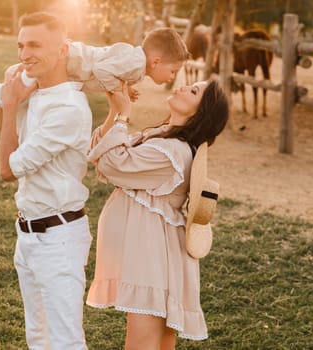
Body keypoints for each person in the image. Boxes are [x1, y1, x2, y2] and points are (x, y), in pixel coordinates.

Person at [86, 79, 229, 349]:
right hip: (148, 250)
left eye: (194, 91)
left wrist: (124, 115)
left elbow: (113, 164)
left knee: (142, 343)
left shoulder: (173, 152)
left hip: (152, 255)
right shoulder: (163, 136)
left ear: (200, 112)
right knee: (157, 343)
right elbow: (100, 152)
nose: (184, 87)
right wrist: (115, 111)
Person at [0, 12, 92, 349]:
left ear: (63, 49)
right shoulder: (36, 96)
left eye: (34, 45)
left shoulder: (68, 107)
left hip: (59, 238)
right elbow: (8, 143)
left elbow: (7, 170)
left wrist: (9, 105)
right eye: (21, 45)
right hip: (28, 234)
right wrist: (12, 103)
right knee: (38, 337)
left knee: (65, 342)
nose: (24, 54)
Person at [0, 25, 189, 127]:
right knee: (17, 92)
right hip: (67, 63)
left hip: (68, 64)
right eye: (172, 71)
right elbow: (102, 71)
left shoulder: (136, 64)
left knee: (20, 93)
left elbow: (109, 71)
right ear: (156, 61)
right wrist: (120, 89)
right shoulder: (135, 63)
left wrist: (125, 88)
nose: (171, 77)